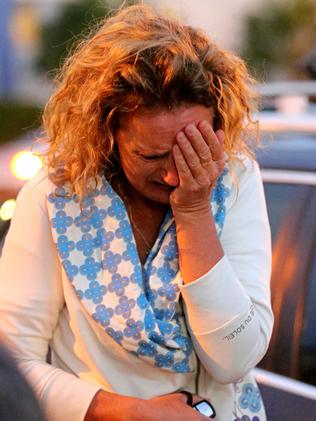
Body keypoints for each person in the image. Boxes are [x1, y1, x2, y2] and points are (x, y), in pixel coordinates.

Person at [0, 4, 273, 421]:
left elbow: (235, 359)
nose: (171, 173)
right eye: (151, 155)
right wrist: (129, 412)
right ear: (108, 132)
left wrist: (195, 210)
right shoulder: (56, 198)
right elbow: (12, 364)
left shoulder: (234, 181)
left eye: (190, 151)